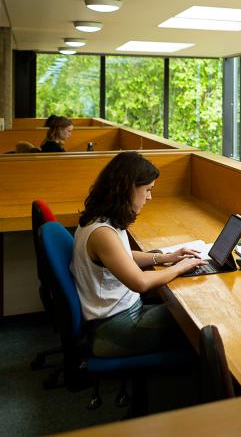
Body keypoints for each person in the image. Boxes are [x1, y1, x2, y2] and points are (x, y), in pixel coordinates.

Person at [70, 151, 206, 357]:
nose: (150, 197)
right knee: (200, 315)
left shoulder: (100, 218)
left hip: (123, 313)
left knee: (189, 309)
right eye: (148, 190)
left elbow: (122, 256)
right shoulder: (102, 233)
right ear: (127, 189)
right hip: (115, 328)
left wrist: (165, 257)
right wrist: (180, 267)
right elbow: (140, 283)